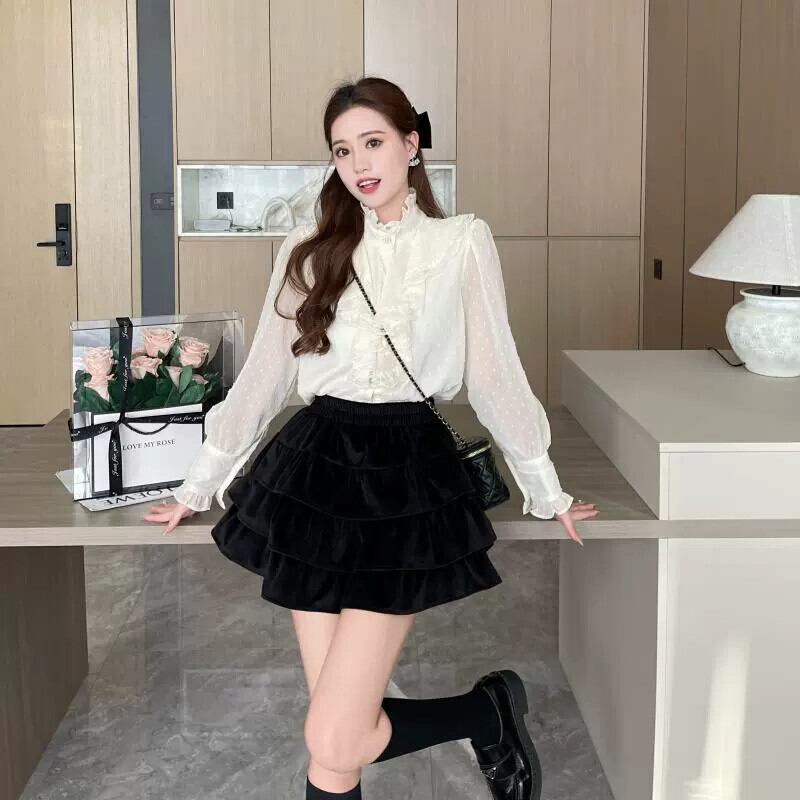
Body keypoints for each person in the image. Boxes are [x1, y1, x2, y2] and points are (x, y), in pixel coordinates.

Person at [144, 76, 599, 800]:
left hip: (404, 470)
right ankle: (486, 714)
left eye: (374, 142)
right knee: (337, 741)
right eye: (342, 149)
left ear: (411, 145)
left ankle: (486, 712)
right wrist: (198, 484)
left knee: (334, 735)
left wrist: (546, 486)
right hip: (315, 466)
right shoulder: (308, 246)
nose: (359, 163)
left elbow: (495, 373)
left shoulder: (460, 241)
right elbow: (266, 372)